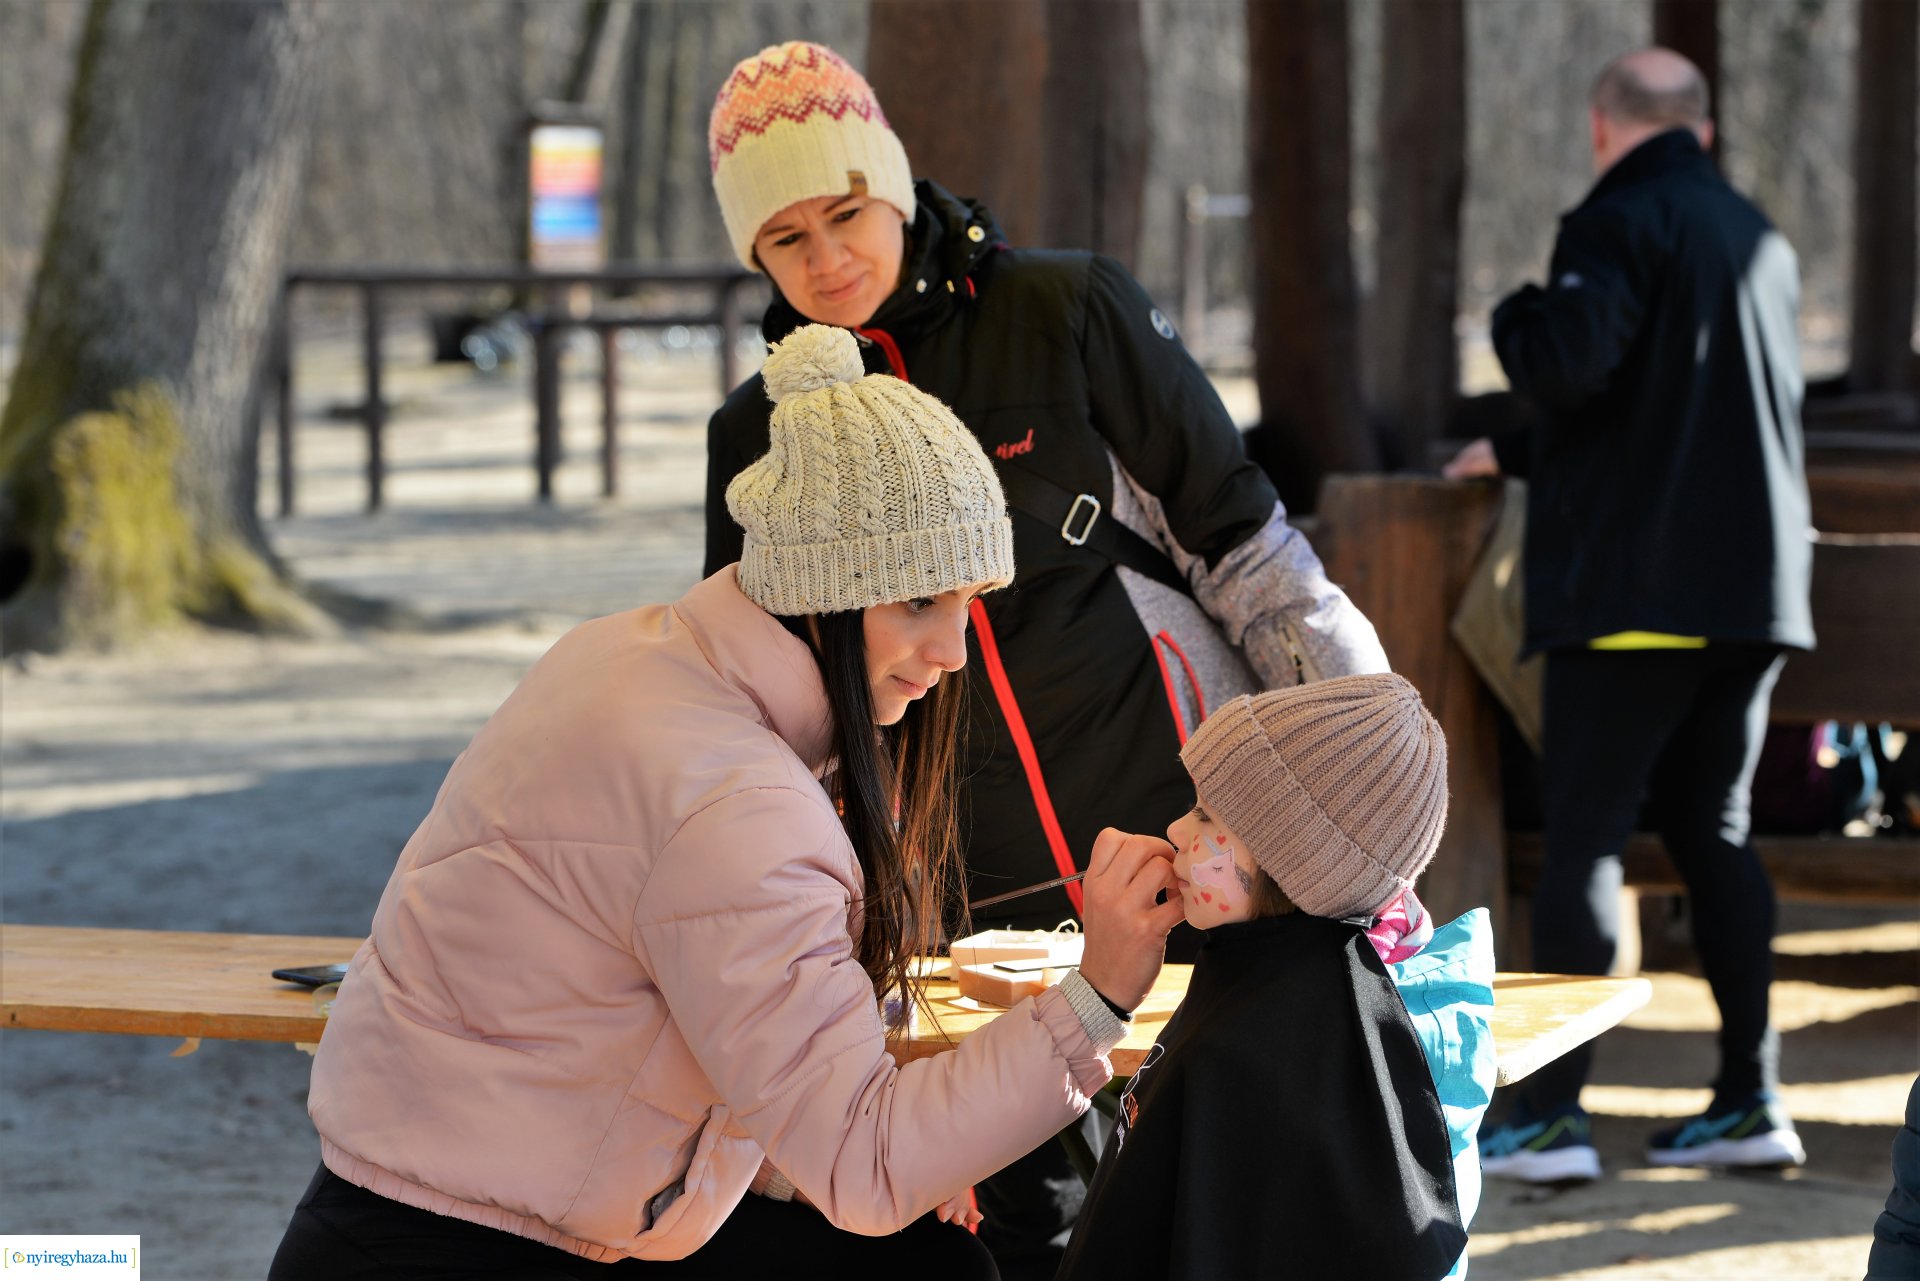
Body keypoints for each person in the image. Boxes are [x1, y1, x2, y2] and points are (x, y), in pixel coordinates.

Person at [267, 324, 1185, 1279]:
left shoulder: (627, 654)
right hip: (474, 1237)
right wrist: (1099, 995)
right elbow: (867, 1165)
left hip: (423, 1191)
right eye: (920, 603)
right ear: (824, 595)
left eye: (969, 602)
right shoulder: (738, 803)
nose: (955, 652)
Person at [701, 43, 1388, 1271]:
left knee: (1213, 1202)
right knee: (1033, 1238)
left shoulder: (1067, 311)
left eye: (847, 214)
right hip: (967, 918)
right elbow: (773, 709)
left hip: (1187, 845)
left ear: (899, 192)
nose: (828, 260)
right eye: (787, 240)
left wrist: (1362, 779)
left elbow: (1247, 547)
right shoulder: (757, 434)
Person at [1445, 47, 1813, 1182]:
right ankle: (1752, 1099)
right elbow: (1671, 396)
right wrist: (1508, 448)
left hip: (1634, 595)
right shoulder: (1760, 239)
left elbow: (1573, 362)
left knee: (1587, 842)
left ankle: (1550, 1116)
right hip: (1752, 598)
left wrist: (1515, 315)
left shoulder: (1614, 222)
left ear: (1606, 129)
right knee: (1719, 832)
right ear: (1700, 131)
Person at [1055, 675, 1496, 1281]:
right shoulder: (1347, 979)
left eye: (1206, 815)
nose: (1178, 831)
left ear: (1300, 868)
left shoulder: (1273, 1051)